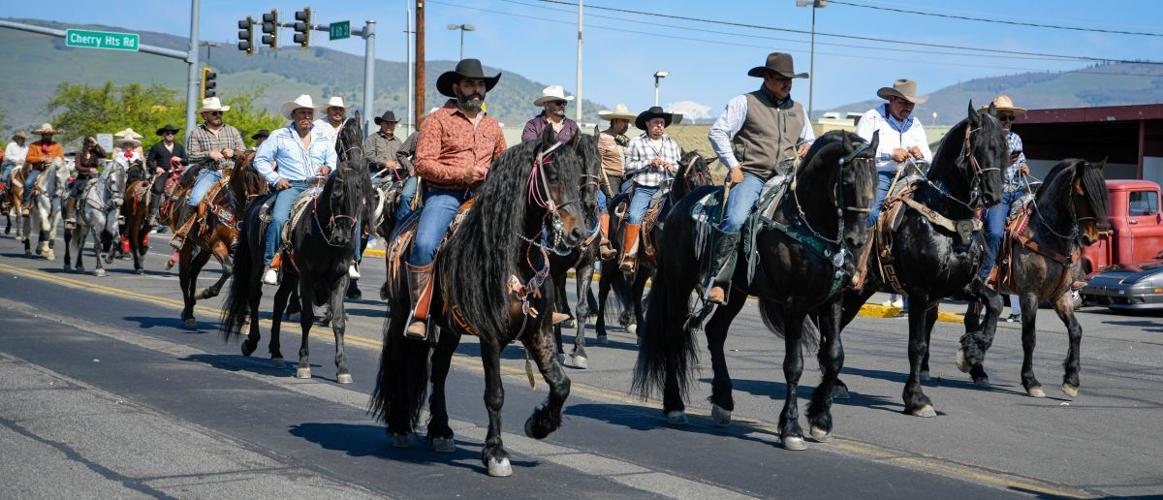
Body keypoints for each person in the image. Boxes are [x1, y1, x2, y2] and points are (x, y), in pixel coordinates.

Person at [404, 58, 507, 339]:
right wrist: (464, 174)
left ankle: (529, 303)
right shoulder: (436, 121)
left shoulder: (493, 126)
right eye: (470, 84)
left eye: (480, 84)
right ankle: (420, 311)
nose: (476, 89)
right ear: (456, 87)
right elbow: (423, 163)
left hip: (484, 197)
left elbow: (501, 164)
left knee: (523, 237)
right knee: (425, 244)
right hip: (445, 194)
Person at [706, 52, 815, 304]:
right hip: (753, 174)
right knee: (734, 220)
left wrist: (807, 146)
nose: (787, 84)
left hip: (787, 177)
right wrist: (733, 165)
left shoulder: (798, 109)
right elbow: (718, 133)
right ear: (766, 77)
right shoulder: (745, 102)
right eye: (781, 79)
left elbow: (808, 138)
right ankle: (719, 280)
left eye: (790, 80)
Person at [855, 79, 932, 310]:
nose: (908, 108)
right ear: (891, 100)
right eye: (903, 102)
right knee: (869, 214)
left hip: (912, 177)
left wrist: (920, 155)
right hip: (881, 176)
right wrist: (889, 154)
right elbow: (858, 150)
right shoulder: (872, 118)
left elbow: (929, 157)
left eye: (911, 104)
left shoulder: (915, 124)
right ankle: (858, 266)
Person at [252, 94, 339, 285]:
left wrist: (328, 168)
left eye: (309, 113)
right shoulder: (279, 135)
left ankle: (345, 261)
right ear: (294, 115)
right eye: (302, 113)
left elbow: (332, 160)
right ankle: (272, 263)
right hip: (292, 185)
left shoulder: (323, 136)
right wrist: (276, 179)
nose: (306, 116)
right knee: (278, 219)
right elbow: (260, 160)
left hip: (319, 186)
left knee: (343, 216)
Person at [976, 96, 1031, 321]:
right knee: (996, 232)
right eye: (1003, 117)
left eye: (1010, 117)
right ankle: (983, 275)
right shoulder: (987, 137)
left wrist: (1024, 166)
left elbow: (1022, 160)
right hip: (998, 195)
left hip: (1018, 190)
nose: (1007, 120)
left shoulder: (1017, 138)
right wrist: (1004, 163)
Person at [173, 97, 245, 248]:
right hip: (210, 172)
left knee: (252, 197)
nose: (218, 115)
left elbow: (244, 152)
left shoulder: (232, 130)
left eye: (219, 112)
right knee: (194, 199)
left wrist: (234, 152)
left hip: (232, 173)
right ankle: (182, 232)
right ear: (204, 115)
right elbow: (191, 156)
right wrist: (209, 154)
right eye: (214, 113)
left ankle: (245, 233)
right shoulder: (197, 133)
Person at [619, 106, 682, 273]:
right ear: (647, 124)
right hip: (644, 189)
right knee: (634, 215)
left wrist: (672, 168)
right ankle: (630, 256)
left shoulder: (672, 144)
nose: (660, 126)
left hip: (668, 190)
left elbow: (679, 168)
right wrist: (648, 162)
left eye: (662, 123)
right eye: (656, 122)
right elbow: (628, 167)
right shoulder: (636, 142)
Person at [595, 103, 636, 259]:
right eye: (623, 121)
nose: (626, 124)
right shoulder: (603, 137)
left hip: (625, 179)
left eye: (627, 121)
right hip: (607, 178)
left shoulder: (626, 140)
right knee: (606, 205)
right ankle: (603, 242)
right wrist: (605, 184)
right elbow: (596, 162)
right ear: (614, 121)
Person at [146, 125, 187, 225]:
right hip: (163, 173)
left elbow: (186, 161)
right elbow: (149, 161)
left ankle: (186, 215)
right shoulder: (157, 147)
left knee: (189, 188)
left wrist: (180, 159)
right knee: (158, 189)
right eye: (167, 133)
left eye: (172, 133)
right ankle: (153, 215)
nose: (170, 135)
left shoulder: (179, 147)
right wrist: (156, 168)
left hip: (177, 173)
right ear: (163, 134)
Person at [64, 135, 106, 228]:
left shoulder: (95, 153)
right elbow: (78, 167)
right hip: (82, 177)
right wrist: (89, 170)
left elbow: (104, 154)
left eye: (92, 142)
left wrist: (97, 144)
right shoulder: (79, 153)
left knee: (106, 189)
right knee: (73, 193)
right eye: (89, 142)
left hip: (95, 177)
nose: (90, 144)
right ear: (85, 143)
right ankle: (69, 217)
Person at [23, 123, 65, 205]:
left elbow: (61, 158)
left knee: (64, 183)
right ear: (42, 135)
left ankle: (63, 206)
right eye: (46, 134)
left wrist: (53, 160)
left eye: (50, 134)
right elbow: (28, 158)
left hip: (53, 170)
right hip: (38, 169)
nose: (48, 136)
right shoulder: (34, 145)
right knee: (28, 184)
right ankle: (27, 204)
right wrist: (40, 159)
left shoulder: (57, 146)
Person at [366, 111, 404, 178]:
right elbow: (368, 155)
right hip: (376, 174)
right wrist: (385, 163)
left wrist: (399, 164)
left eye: (391, 124)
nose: (389, 126)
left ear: (394, 126)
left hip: (395, 176)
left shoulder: (398, 142)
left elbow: (402, 157)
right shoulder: (372, 139)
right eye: (386, 123)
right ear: (381, 124)